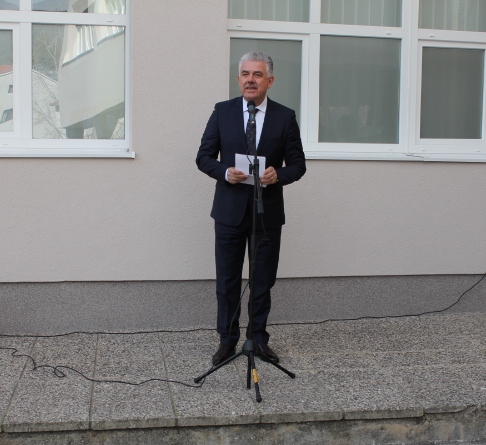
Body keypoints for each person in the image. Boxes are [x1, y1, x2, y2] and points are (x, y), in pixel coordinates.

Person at [196, 52, 306, 366]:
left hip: (266, 213)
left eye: (257, 75)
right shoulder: (222, 111)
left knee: (262, 281)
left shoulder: (285, 117)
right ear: (238, 79)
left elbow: (298, 165)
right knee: (227, 281)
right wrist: (224, 172)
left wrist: (277, 175)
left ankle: (257, 338)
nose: (250, 80)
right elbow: (203, 157)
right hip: (228, 212)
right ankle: (227, 340)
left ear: (269, 81)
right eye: (245, 74)